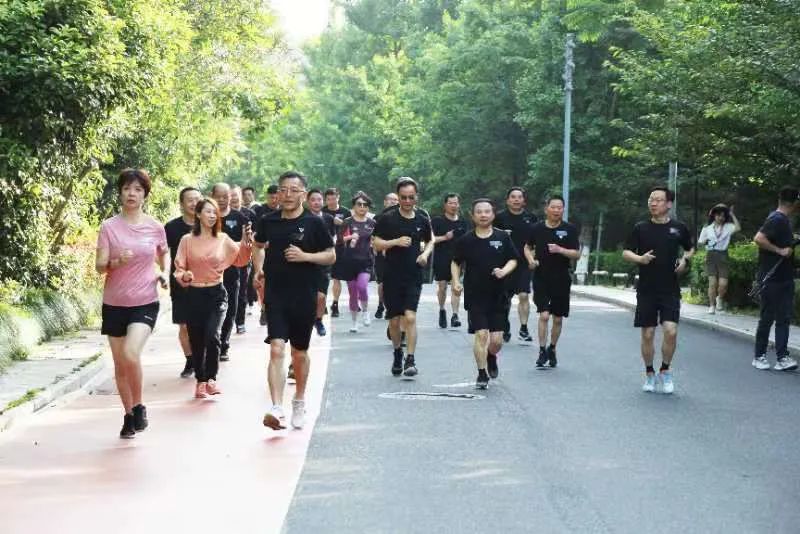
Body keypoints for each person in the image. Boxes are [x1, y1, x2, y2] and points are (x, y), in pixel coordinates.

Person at [253, 171, 335, 430]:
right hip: (276, 294)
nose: (287, 195)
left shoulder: (314, 223)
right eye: (283, 189)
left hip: (304, 295)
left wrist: (306, 257)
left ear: (303, 194)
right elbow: (258, 245)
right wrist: (259, 269)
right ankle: (277, 408)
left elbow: (331, 255)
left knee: (299, 353)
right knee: (276, 348)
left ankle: (299, 400)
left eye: (293, 190)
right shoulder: (268, 220)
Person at [95, 169, 169, 439]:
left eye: (138, 189)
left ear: (145, 195)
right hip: (114, 303)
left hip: (145, 301)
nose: (131, 193)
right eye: (127, 188)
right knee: (120, 364)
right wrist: (117, 262)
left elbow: (164, 254)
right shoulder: (109, 227)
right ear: (120, 192)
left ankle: (139, 406)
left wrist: (164, 273)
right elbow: (99, 266)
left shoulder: (155, 226)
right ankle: (128, 415)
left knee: (130, 353)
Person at [174, 198, 253, 398]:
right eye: (207, 211)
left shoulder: (223, 239)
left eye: (214, 212)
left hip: (216, 294)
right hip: (194, 295)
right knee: (196, 339)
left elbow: (241, 259)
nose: (212, 215)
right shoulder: (186, 240)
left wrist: (246, 243)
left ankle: (211, 379)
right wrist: (185, 276)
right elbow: (179, 268)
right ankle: (200, 381)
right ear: (198, 214)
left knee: (212, 335)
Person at [623, 186, 694, 394]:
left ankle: (665, 369)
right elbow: (626, 252)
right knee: (648, 334)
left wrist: (685, 260)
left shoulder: (678, 228)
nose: (653, 203)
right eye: (651, 199)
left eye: (658, 200)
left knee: (671, 330)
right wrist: (640, 259)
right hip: (647, 289)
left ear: (669, 204)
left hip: (670, 288)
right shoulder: (641, 228)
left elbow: (690, 248)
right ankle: (649, 373)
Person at [452, 199, 519, 389]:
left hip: (498, 294)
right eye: (479, 212)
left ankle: (491, 355)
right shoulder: (466, 240)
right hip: (475, 295)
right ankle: (482, 373)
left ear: (493, 214)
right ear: (473, 216)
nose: (483, 215)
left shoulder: (502, 237)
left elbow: (513, 259)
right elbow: (456, 262)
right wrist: (456, 281)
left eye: (487, 211)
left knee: (496, 341)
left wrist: (504, 271)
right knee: (481, 334)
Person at [373, 177, 434, 377]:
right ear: (398, 197)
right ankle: (397, 352)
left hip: (413, 275)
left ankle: (410, 359)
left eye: (411, 197)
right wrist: (395, 242)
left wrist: (425, 255)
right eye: (403, 197)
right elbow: (376, 244)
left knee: (410, 317)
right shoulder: (387, 219)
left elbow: (430, 240)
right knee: (394, 321)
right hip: (392, 275)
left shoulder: (422, 219)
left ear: (416, 197)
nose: (407, 201)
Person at [524, 195, 580, 368]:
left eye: (559, 208)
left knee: (557, 318)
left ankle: (552, 348)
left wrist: (560, 250)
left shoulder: (569, 229)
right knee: (544, 315)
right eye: (553, 207)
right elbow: (527, 247)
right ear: (546, 209)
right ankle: (542, 351)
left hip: (561, 278)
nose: (556, 210)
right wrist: (531, 260)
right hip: (541, 277)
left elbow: (576, 254)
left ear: (563, 210)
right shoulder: (536, 228)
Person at [752, 186, 799, 372]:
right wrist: (780, 250)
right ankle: (759, 356)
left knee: (783, 318)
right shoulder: (777, 219)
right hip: (771, 278)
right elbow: (759, 238)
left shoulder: (783, 220)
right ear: (794, 203)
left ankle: (782, 357)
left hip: (784, 277)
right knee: (767, 318)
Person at [164, 186, 202, 378]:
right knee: (184, 325)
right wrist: (164, 273)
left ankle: (203, 358)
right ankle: (190, 360)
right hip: (180, 283)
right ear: (181, 204)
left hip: (206, 282)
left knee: (204, 325)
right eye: (190, 200)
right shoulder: (171, 227)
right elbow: (162, 253)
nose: (194, 203)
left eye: (197, 199)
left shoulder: (209, 224)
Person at [210, 183, 249, 360]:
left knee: (231, 308)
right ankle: (212, 342)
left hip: (233, 271)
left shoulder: (240, 217)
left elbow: (247, 244)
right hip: (209, 272)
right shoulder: (207, 216)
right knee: (211, 309)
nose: (222, 200)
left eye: (225, 196)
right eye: (218, 196)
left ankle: (224, 345)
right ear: (211, 196)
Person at [494, 187, 538, 343]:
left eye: (519, 197)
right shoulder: (499, 218)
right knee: (504, 299)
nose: (516, 200)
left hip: (524, 264)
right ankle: (504, 325)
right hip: (505, 264)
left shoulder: (531, 218)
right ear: (507, 200)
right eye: (513, 197)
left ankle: (523, 328)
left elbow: (536, 241)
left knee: (524, 295)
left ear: (524, 201)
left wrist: (533, 258)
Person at [340, 192, 377, 332]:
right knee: (353, 293)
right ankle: (354, 322)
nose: (362, 207)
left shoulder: (372, 223)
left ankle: (366, 311)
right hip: (349, 262)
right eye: (359, 204)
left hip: (366, 261)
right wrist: (350, 237)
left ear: (368, 207)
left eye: (365, 205)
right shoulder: (347, 222)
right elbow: (338, 240)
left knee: (362, 286)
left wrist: (377, 246)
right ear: (354, 206)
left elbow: (377, 239)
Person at [432, 193, 470, 329]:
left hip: (458, 259)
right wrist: (444, 237)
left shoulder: (463, 222)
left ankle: (455, 315)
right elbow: (429, 239)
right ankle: (442, 309)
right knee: (442, 287)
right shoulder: (437, 221)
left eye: (456, 203)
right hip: (441, 257)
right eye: (451, 203)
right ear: (445, 205)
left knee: (456, 286)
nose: (454, 206)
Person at [697, 204, 740, 314]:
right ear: (714, 216)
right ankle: (712, 306)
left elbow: (738, 228)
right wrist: (706, 242)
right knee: (712, 283)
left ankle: (719, 298)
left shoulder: (728, 227)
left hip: (723, 255)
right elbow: (700, 242)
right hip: (711, 255)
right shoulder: (707, 228)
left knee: (723, 284)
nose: (721, 218)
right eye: (719, 215)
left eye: (723, 216)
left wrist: (732, 214)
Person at [307, 188, 336, 336]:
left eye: (319, 199)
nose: (316, 202)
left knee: (321, 296)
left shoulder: (328, 218)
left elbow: (333, 238)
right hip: (305, 261)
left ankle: (318, 320)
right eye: (313, 200)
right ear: (308, 202)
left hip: (323, 262)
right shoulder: (303, 218)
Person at [230, 186, 258, 334]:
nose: (234, 198)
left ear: (240, 196)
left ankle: (240, 322)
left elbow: (257, 233)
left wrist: (249, 240)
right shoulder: (221, 214)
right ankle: (226, 320)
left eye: (236, 195)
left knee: (241, 290)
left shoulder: (249, 214)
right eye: (231, 195)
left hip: (244, 257)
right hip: (225, 259)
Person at [323, 188, 352, 317]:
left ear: (338, 197)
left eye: (333, 198)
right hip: (324, 248)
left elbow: (351, 229)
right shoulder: (322, 211)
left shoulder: (345, 212)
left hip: (340, 248)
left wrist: (342, 227)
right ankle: (322, 303)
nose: (331, 201)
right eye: (328, 199)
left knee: (336, 277)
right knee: (323, 277)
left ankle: (335, 304)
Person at [374, 192, 399, 319]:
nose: (393, 202)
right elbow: (373, 236)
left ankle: (391, 308)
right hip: (381, 254)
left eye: (396, 200)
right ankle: (380, 304)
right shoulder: (378, 217)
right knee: (382, 282)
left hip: (398, 254)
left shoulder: (402, 217)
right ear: (385, 202)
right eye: (390, 199)